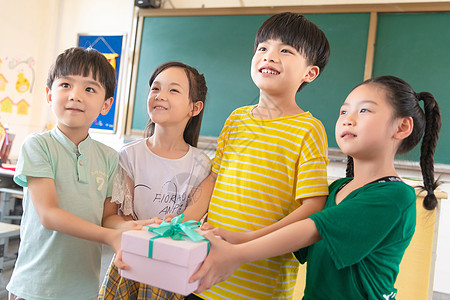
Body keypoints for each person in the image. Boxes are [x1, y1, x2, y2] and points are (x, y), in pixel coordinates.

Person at [190, 75, 441, 299]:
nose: (348, 120)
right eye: (343, 112)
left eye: (364, 111)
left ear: (402, 127)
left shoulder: (396, 196)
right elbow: (294, 239)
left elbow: (312, 229)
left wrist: (236, 253)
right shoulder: (337, 189)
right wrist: (239, 238)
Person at [186, 12, 331, 300]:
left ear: (309, 73)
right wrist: (186, 222)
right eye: (262, 48)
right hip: (205, 272)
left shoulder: (309, 129)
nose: (270, 56)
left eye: (285, 50)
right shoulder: (236, 118)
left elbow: (313, 206)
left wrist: (247, 241)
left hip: (260, 284)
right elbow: (214, 178)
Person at [6, 47, 151, 300]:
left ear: (106, 104)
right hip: (35, 287)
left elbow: (107, 217)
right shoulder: (38, 145)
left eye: (89, 89)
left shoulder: (109, 157)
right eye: (65, 85)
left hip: (84, 289)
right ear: (49, 95)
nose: (75, 96)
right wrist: (112, 236)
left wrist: (131, 228)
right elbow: (49, 214)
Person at [98, 61, 212, 300]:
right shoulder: (129, 155)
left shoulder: (202, 165)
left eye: (173, 90)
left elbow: (191, 219)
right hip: (133, 261)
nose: (160, 96)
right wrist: (137, 227)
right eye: (155, 88)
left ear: (195, 107)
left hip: (177, 267)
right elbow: (113, 218)